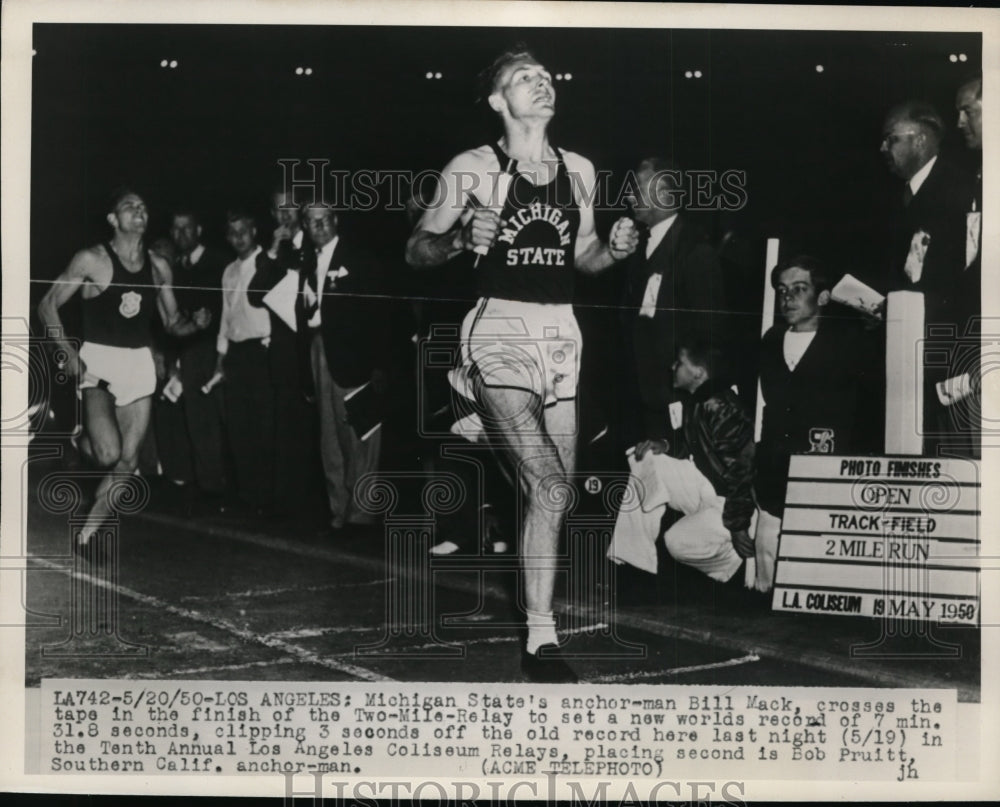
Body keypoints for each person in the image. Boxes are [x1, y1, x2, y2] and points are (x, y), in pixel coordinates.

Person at [405, 46, 639, 682]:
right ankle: (542, 639)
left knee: (557, 492)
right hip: (500, 326)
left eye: (545, 76)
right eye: (523, 79)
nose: (541, 84)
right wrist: (456, 240)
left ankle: (482, 421)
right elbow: (415, 248)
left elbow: (583, 257)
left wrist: (613, 252)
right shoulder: (472, 168)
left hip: (561, 331)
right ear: (496, 100)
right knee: (544, 482)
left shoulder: (581, 170)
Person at [37, 188, 209, 560]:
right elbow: (47, 304)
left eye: (144, 207)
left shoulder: (159, 266)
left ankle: (87, 534)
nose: (139, 211)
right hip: (98, 361)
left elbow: (171, 323)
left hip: (137, 364)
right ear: (113, 219)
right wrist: (66, 351)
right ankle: (77, 440)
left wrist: (193, 324)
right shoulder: (92, 260)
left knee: (128, 462)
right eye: (129, 206)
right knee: (107, 453)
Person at [754, 256, 881, 591]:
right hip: (776, 476)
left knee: (816, 585)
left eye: (799, 289)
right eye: (782, 290)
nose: (788, 298)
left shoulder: (848, 342)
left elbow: (870, 404)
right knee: (767, 587)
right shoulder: (770, 340)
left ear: (823, 297)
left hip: (826, 479)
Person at [608, 340, 755, 588]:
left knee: (675, 542)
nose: (672, 366)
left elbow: (743, 470)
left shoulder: (720, 406)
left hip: (730, 502)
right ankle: (632, 562)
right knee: (644, 457)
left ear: (698, 373)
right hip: (705, 486)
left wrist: (738, 525)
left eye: (679, 363)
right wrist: (665, 446)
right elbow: (698, 446)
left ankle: (733, 562)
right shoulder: (699, 398)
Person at [879, 101, 975, 454]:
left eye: (890, 139)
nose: (883, 149)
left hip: (945, 352)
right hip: (907, 348)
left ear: (919, 140)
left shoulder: (960, 191)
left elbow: (964, 279)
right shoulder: (899, 197)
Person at [298, 202, 388, 532]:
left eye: (324, 220)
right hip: (319, 353)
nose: (318, 227)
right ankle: (339, 509)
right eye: (311, 222)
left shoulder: (359, 258)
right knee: (330, 439)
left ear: (335, 220)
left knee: (360, 435)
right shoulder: (307, 263)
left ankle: (362, 513)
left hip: (356, 360)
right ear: (304, 227)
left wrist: (379, 363)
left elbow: (380, 314)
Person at [623, 158, 727, 441]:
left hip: (679, 410)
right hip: (640, 405)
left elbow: (711, 336)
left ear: (665, 194)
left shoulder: (696, 253)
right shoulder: (635, 249)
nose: (629, 195)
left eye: (637, 187)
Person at [246, 189, 320, 517]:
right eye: (279, 210)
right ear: (273, 216)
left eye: (291, 207)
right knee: (287, 429)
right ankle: (291, 504)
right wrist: (275, 250)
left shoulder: (317, 241)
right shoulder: (273, 253)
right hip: (286, 355)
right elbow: (254, 294)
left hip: (315, 348)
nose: (286, 215)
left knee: (319, 427)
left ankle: (319, 501)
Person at [214, 210, 275, 513]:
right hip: (236, 354)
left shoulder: (268, 262)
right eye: (232, 232)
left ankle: (267, 497)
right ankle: (247, 495)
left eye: (244, 230)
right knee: (239, 429)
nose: (239, 237)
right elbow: (226, 317)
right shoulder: (228, 271)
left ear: (255, 231)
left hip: (262, 351)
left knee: (264, 426)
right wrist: (220, 358)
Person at [170, 207, 229, 507]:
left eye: (187, 228)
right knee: (197, 420)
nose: (181, 235)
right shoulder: (175, 267)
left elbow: (227, 305)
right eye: (176, 229)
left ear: (199, 230)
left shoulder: (218, 262)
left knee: (220, 418)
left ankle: (226, 485)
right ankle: (209, 485)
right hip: (189, 350)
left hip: (217, 348)